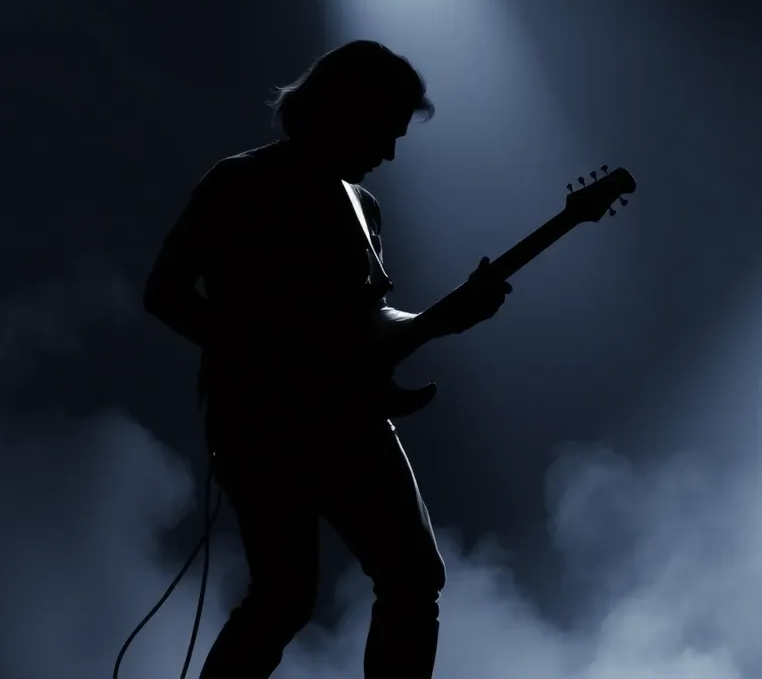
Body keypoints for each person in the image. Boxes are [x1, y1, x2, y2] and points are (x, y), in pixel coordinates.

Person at [142, 39, 512, 679]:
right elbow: (165, 292)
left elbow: (368, 318)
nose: (388, 153)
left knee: (412, 578)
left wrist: (440, 319)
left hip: (348, 418)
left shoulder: (363, 208)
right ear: (345, 111)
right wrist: (259, 358)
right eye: (384, 132)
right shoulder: (240, 183)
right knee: (285, 597)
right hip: (260, 421)